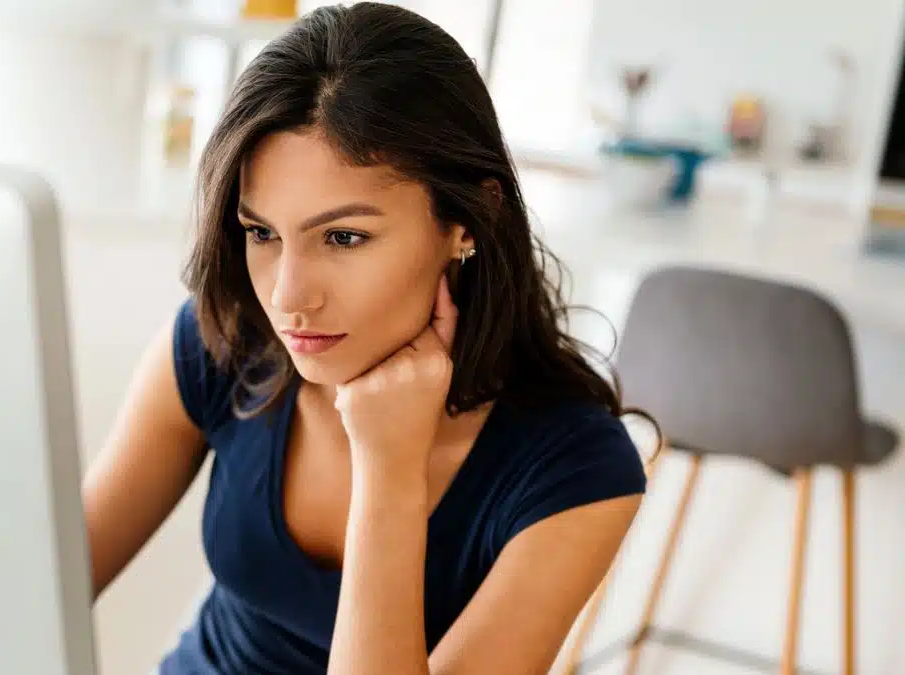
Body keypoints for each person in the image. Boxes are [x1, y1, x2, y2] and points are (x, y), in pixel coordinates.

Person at [81, 3, 653, 673]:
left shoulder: (575, 470)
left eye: (344, 237)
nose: (288, 296)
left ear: (469, 219)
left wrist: (388, 469)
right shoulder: (224, 340)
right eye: (262, 232)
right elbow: (44, 586)